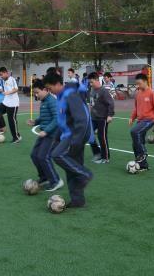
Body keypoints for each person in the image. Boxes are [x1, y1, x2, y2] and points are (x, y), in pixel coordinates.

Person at [44, 72, 94, 208]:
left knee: (57, 154)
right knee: (71, 168)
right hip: (68, 135)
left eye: (50, 88)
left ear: (58, 84)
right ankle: (78, 200)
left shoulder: (70, 95)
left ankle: (86, 174)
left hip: (75, 135)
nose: (50, 91)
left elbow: (82, 119)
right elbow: (62, 121)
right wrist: (56, 138)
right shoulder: (60, 97)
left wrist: (76, 140)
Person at [26, 79, 63, 191]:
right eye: (34, 93)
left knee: (43, 157)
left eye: (37, 92)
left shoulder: (51, 101)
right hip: (45, 133)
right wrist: (35, 122)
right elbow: (45, 117)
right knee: (34, 155)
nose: (36, 95)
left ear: (45, 90)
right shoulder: (44, 101)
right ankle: (45, 177)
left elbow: (57, 118)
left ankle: (56, 181)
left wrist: (46, 131)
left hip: (52, 134)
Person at [129, 73, 154, 171]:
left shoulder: (152, 93)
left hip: (149, 120)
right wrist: (132, 117)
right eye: (137, 84)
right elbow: (136, 107)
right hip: (140, 120)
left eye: (139, 84)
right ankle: (142, 165)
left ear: (145, 81)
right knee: (136, 141)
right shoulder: (138, 93)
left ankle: (143, 154)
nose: (138, 86)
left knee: (134, 132)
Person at [88, 72, 115, 164]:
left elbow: (111, 103)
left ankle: (105, 157)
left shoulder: (103, 91)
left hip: (102, 118)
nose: (90, 84)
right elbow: (92, 104)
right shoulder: (92, 90)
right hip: (93, 117)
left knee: (102, 137)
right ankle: (97, 153)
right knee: (89, 134)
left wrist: (110, 115)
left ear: (96, 80)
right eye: (89, 83)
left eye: (92, 82)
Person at [0, 67, 21, 143]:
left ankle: (16, 137)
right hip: (6, 102)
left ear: (6, 73)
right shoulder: (4, 80)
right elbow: (4, 90)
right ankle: (2, 127)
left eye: (1, 74)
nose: (1, 76)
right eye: (0, 75)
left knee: (11, 120)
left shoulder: (12, 79)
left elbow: (16, 89)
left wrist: (7, 92)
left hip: (13, 103)